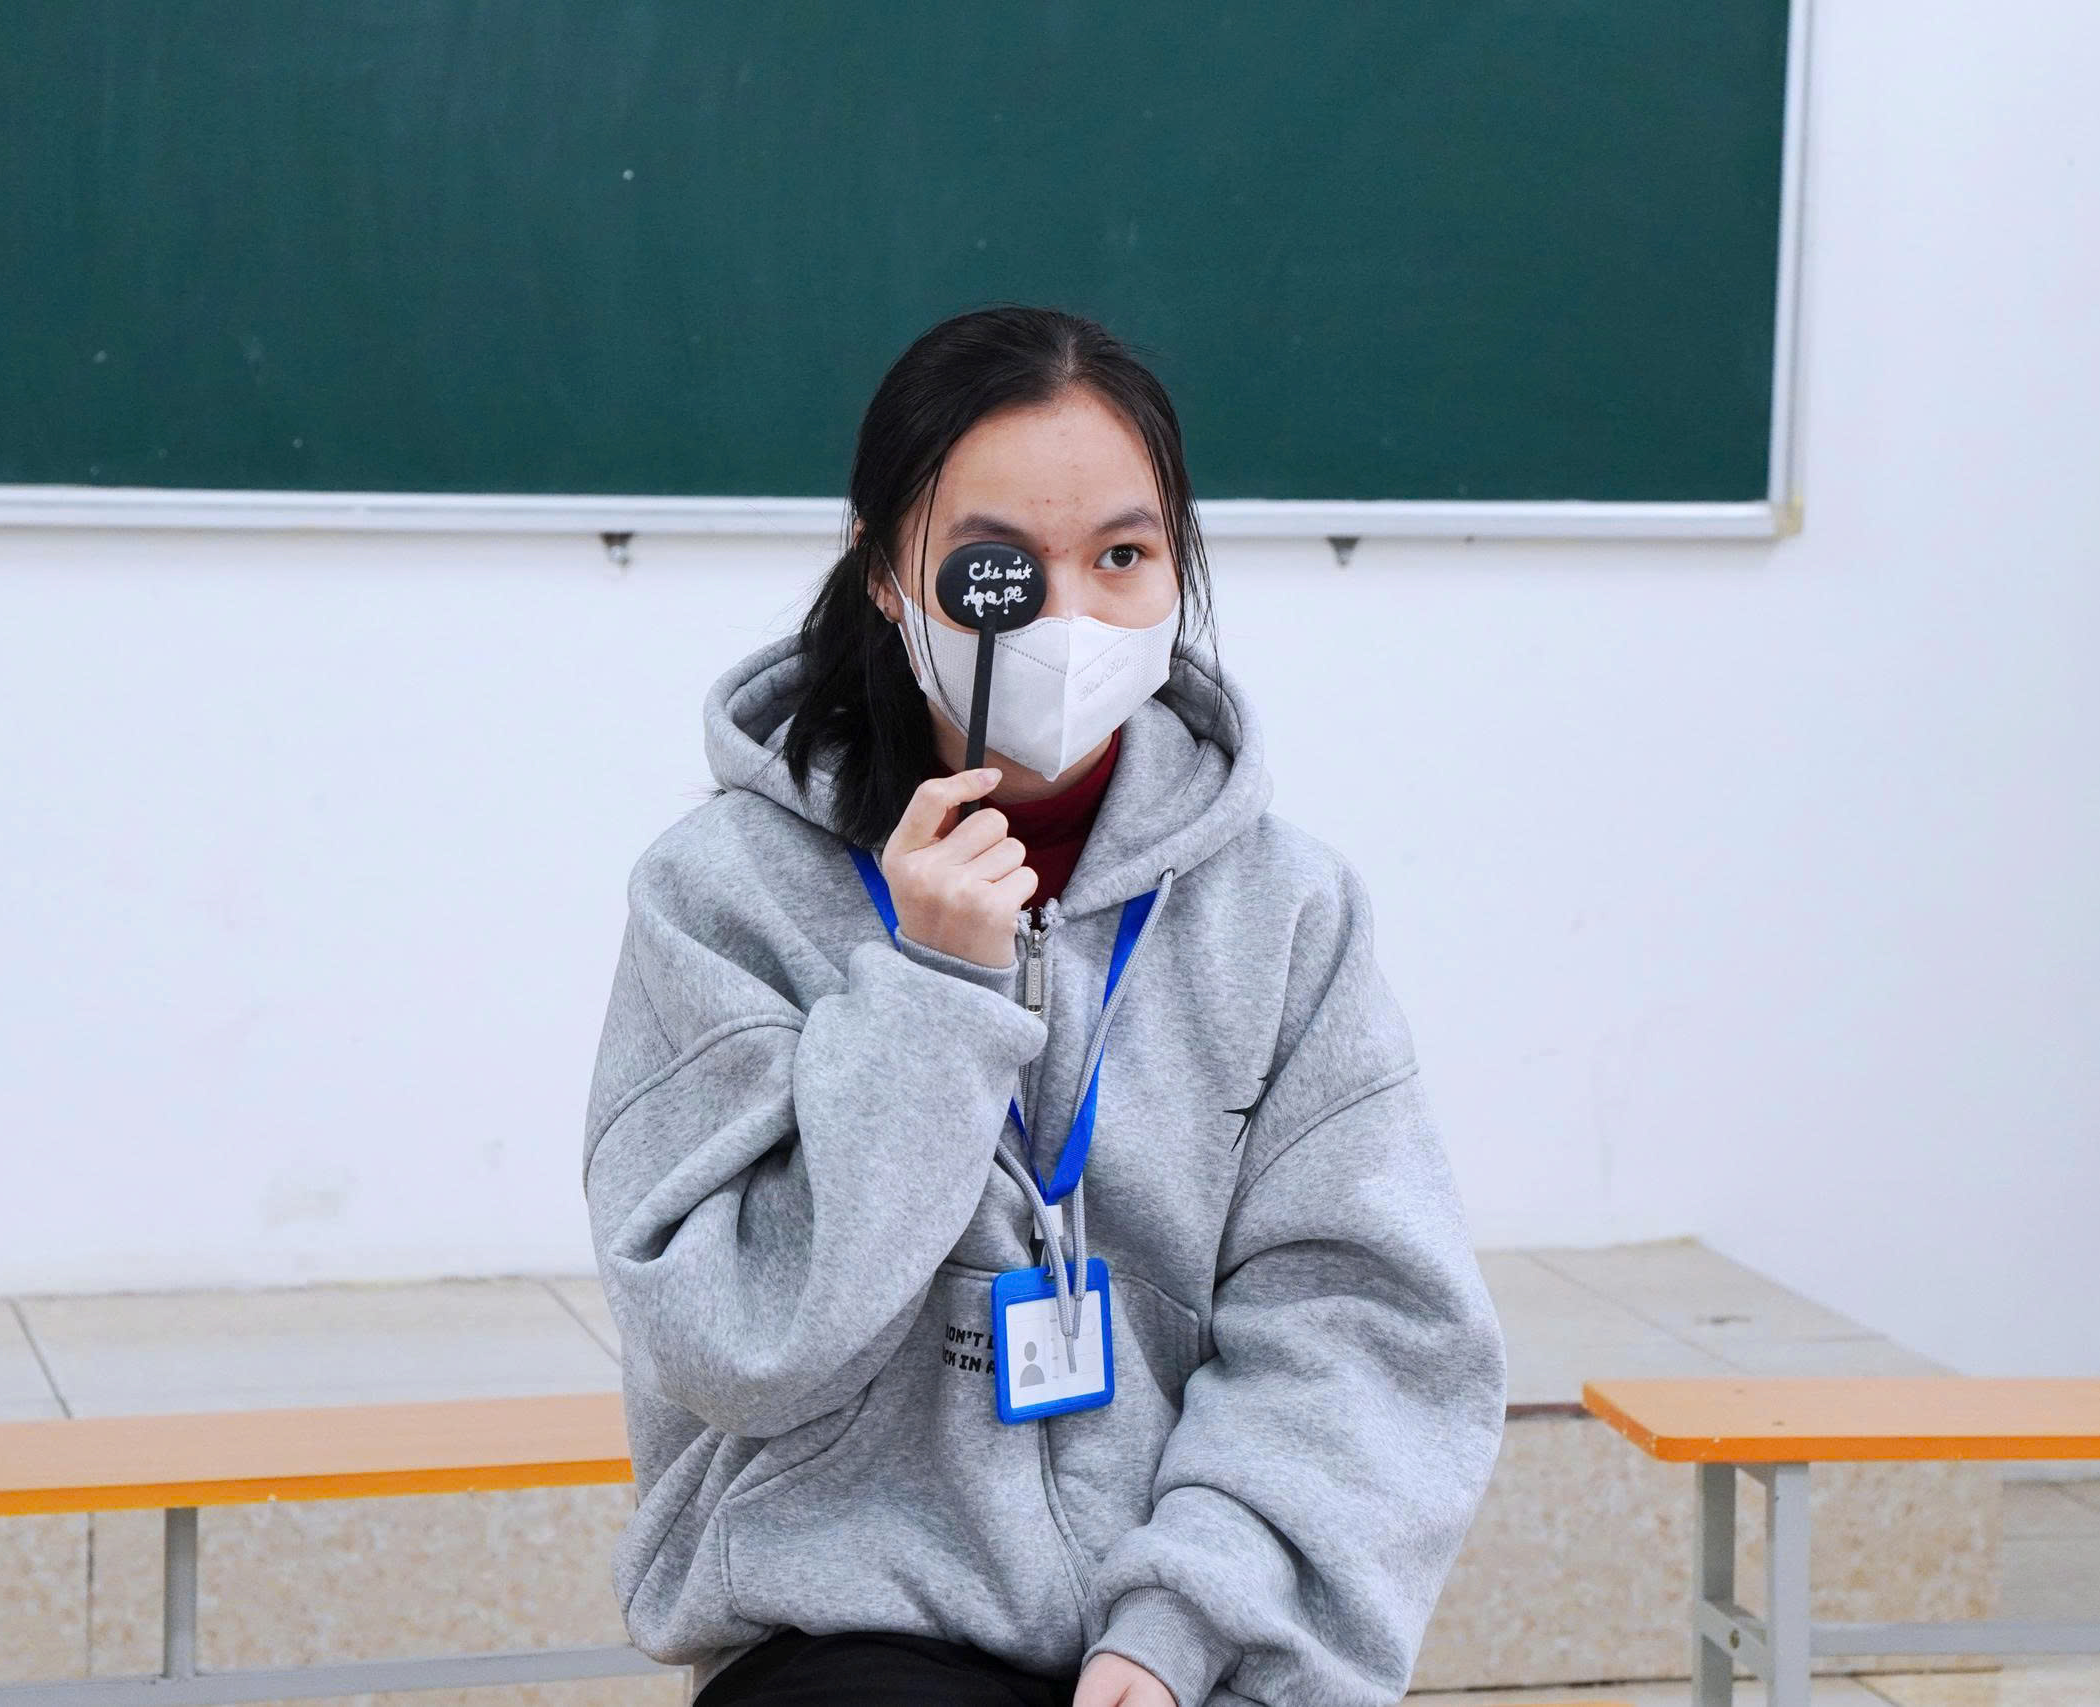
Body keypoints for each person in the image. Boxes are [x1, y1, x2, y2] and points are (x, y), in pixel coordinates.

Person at [581, 306, 1507, 1707]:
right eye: (1000, 568)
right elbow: (732, 1339)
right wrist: (932, 997)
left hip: (1197, 1635)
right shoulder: (721, 894)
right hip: (852, 1632)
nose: (1068, 619)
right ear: (886, 575)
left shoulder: (1286, 910)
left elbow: (1367, 1328)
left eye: (1124, 557)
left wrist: (1183, 1618)